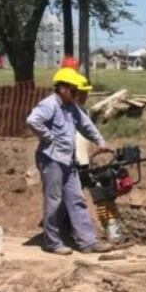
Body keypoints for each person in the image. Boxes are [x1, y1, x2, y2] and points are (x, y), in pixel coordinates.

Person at [26, 67, 112, 255]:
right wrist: (47, 137)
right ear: (62, 88)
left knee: (76, 199)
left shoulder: (72, 107)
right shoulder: (49, 105)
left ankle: (88, 242)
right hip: (51, 159)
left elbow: (85, 125)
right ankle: (52, 242)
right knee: (54, 201)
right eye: (73, 89)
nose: (76, 93)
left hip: (67, 160)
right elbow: (33, 121)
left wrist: (100, 141)